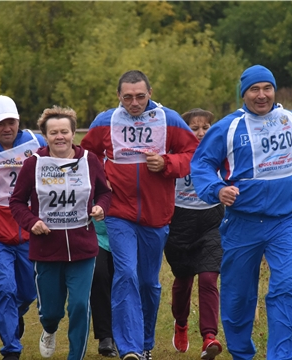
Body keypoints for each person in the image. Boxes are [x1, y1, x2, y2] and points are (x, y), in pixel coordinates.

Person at [190, 65, 292, 360]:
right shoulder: (227, 127)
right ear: (243, 93)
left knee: (287, 287)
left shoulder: (291, 120)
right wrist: (217, 190)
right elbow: (201, 165)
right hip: (242, 223)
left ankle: (281, 356)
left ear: (274, 90)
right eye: (254, 89)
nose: (262, 95)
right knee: (238, 298)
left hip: (284, 221)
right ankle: (241, 353)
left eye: (267, 88)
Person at [80, 70, 199, 360]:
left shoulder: (168, 118)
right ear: (118, 96)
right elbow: (86, 154)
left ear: (150, 92)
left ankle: (145, 342)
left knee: (148, 282)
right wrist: (100, 181)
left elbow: (194, 152)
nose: (135, 103)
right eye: (128, 97)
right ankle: (129, 347)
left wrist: (168, 162)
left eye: (140, 96)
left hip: (157, 215)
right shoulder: (105, 120)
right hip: (118, 212)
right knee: (126, 274)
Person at [10, 106, 112, 360]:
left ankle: (75, 356)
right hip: (46, 248)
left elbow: (104, 192)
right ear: (45, 135)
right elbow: (17, 202)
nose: (60, 137)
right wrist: (31, 221)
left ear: (73, 133)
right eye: (53, 132)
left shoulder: (89, 161)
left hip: (83, 247)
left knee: (79, 306)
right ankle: (49, 329)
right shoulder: (34, 164)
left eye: (64, 131)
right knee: (52, 312)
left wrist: (101, 207)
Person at [0, 95, 46, 360]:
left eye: (12, 122)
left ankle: (15, 315)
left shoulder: (36, 142)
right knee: (4, 289)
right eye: (1, 123)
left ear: (19, 121)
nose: (7, 128)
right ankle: (11, 349)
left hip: (30, 232)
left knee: (27, 293)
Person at [164, 109, 224, 360]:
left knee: (209, 278)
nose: (200, 132)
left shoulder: (221, 153)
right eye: (194, 128)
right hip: (179, 221)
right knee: (183, 280)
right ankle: (180, 323)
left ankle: (209, 337)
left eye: (206, 127)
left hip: (212, 220)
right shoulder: (173, 154)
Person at [90, 218, 117, 358]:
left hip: (125, 230)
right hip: (95, 233)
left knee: (122, 280)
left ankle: (122, 334)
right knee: (99, 275)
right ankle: (105, 336)